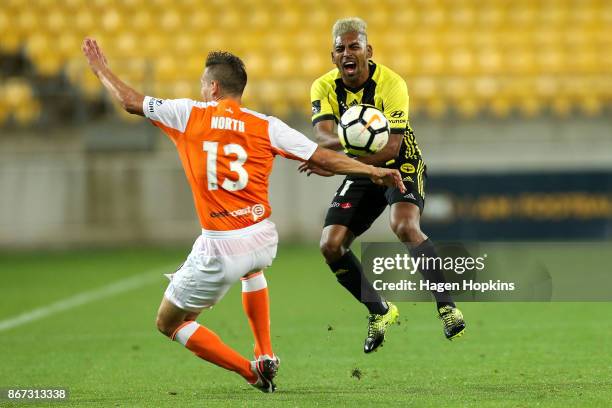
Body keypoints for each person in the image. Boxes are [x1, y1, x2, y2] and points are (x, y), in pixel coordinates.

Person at [82, 37, 404, 393]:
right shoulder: (266, 125)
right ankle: (265, 351)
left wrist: (101, 69)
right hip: (262, 238)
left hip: (220, 247)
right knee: (252, 269)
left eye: (204, 84)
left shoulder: (188, 113)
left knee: (168, 322)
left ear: (214, 87)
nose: (201, 89)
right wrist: (372, 171)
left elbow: (130, 102)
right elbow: (321, 156)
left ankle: (251, 372)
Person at [300, 17, 466, 353]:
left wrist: (335, 163)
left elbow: (390, 147)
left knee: (403, 225)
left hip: (400, 163)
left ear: (368, 50)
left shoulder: (392, 83)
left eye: (354, 46)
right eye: (340, 49)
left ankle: (447, 306)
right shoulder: (323, 86)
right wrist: (344, 161)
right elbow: (323, 134)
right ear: (333, 56)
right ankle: (380, 310)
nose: (348, 53)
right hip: (361, 168)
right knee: (330, 245)